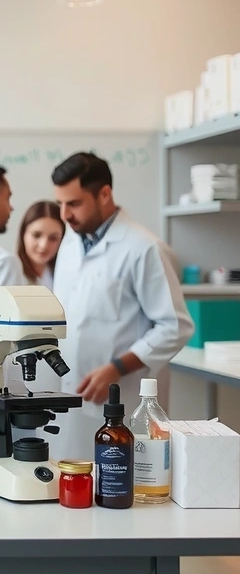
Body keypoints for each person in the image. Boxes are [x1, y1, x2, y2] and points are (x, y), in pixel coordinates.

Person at [49, 152, 193, 460]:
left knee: (123, 488)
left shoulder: (144, 248)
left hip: (124, 403)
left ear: (104, 194)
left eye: (73, 203)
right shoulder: (71, 242)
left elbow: (175, 326)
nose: (64, 215)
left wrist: (117, 368)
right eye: (60, 203)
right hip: (71, 398)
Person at [16, 200, 64, 291]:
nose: (43, 245)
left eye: (53, 238)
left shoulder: (64, 275)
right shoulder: (12, 275)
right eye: (36, 235)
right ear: (23, 234)